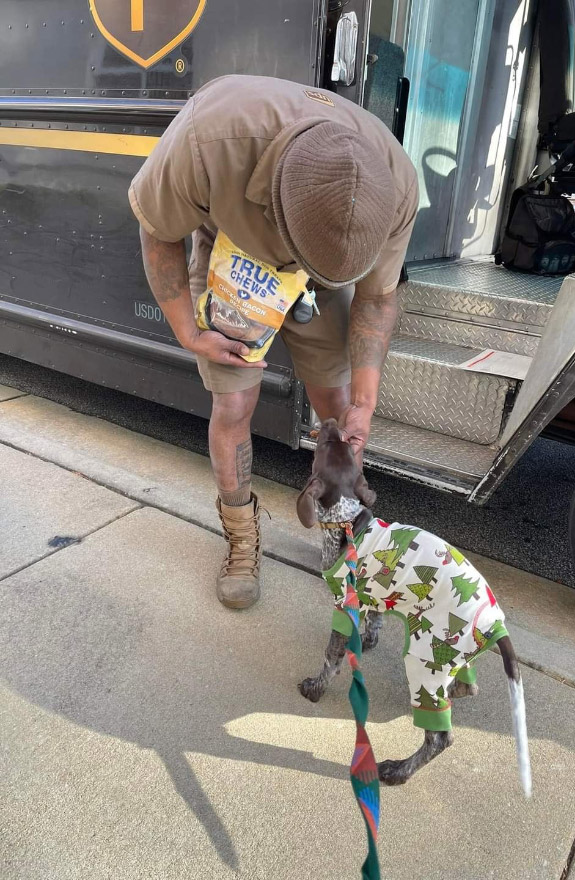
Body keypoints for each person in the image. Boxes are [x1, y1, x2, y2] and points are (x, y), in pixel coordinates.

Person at [129, 75, 418, 610]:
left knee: (338, 411)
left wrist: (365, 402)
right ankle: (241, 533)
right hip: (235, 256)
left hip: (321, 274)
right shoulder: (209, 138)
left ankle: (341, 531)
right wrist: (188, 332)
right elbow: (157, 231)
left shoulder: (395, 185)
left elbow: (375, 300)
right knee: (234, 401)